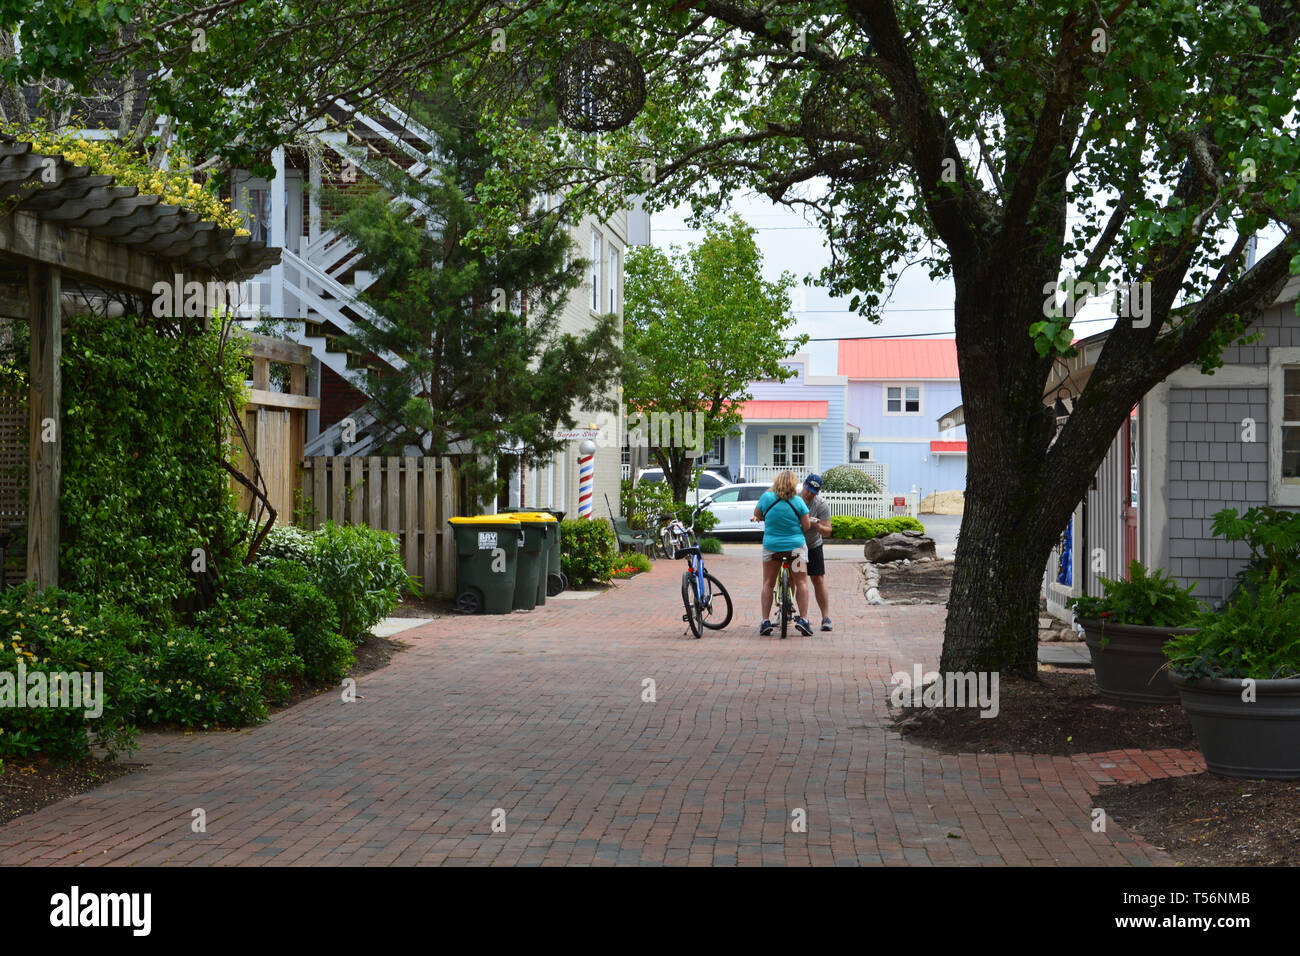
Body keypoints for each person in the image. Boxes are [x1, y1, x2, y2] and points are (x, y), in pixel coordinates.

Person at [750, 469, 813, 636]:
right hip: (796, 548)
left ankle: (765, 621)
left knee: (768, 583)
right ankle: (804, 620)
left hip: (772, 547)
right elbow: (806, 526)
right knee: (801, 582)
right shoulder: (798, 501)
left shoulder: (766, 498)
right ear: (794, 484)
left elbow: (757, 515)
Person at [799, 473, 833, 631]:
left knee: (818, 579)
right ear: (804, 484)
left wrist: (818, 525)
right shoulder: (793, 499)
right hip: (796, 545)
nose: (810, 494)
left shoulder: (821, 504)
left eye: (814, 492)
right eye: (809, 489)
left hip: (813, 545)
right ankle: (786, 613)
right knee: (794, 581)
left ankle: (826, 617)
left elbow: (828, 531)